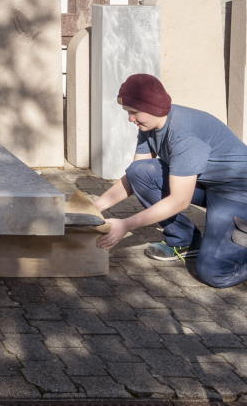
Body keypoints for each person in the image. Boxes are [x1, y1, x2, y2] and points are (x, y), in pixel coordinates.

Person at [94, 74, 247, 288]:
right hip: (207, 183)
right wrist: (94, 207)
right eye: (127, 112)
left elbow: (179, 201)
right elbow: (135, 175)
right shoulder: (149, 127)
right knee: (140, 171)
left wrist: (125, 225)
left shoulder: (184, 136)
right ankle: (185, 241)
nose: (130, 119)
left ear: (154, 108)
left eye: (133, 112)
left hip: (237, 193)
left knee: (214, 273)